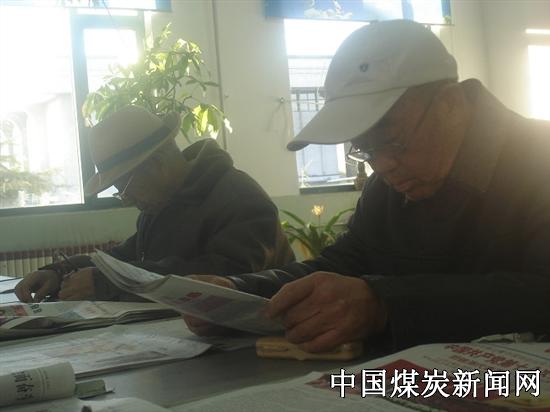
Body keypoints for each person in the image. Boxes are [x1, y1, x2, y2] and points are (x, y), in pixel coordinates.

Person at [183, 19, 550, 352]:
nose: (382, 166)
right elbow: (344, 264)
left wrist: (384, 305)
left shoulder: (540, 158)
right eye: (365, 148)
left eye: (392, 142)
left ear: (450, 104)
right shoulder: (387, 188)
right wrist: (238, 293)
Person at [15, 106, 294, 303]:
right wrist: (61, 272)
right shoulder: (162, 204)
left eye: (124, 187)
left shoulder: (238, 197)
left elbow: (227, 278)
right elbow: (126, 257)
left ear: (158, 164)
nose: (126, 199)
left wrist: (109, 284)